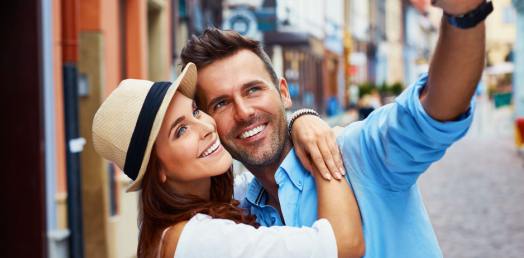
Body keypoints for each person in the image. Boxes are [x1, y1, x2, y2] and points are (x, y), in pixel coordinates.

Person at [179, 0, 488, 256]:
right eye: (221, 103)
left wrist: (464, 16)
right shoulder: (238, 217)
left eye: (253, 90)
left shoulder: (359, 156)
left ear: (284, 92)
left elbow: (432, 115)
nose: (244, 112)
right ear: (208, 119)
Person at [91, 63, 364, 258]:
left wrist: (301, 119)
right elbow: (344, 244)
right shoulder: (197, 241)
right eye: (181, 130)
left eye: (196, 112)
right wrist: (323, 147)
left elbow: (259, 177)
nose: (207, 128)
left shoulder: (177, 219)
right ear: (158, 169)